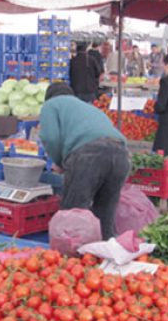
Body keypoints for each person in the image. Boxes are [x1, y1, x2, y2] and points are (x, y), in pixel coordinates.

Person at [39, 82, 130, 240]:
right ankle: (104, 257)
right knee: (105, 214)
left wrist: (59, 162)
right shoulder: (87, 107)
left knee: (73, 214)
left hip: (89, 155)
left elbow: (50, 137)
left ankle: (69, 259)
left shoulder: (51, 105)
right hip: (121, 154)